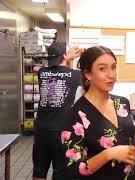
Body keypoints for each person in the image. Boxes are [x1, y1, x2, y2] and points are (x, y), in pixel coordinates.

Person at [60, 46, 135, 180]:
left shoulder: (122, 104)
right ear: (88, 74)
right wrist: (108, 154)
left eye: (114, 67)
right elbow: (74, 169)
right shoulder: (76, 115)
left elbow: (124, 146)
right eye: (102, 68)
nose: (111, 74)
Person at [33, 42, 82, 180]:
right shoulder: (75, 75)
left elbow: (60, 73)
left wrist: (67, 58)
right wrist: (71, 58)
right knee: (60, 172)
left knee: (39, 171)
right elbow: (68, 74)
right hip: (61, 132)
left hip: (41, 129)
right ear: (64, 55)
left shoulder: (41, 73)